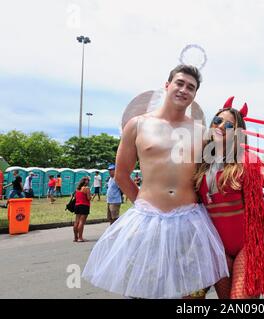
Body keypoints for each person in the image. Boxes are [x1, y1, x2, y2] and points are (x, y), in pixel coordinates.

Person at [82, 65, 228, 299]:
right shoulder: (138, 125)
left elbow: (220, 174)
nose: (184, 90)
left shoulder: (202, 132)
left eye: (191, 87)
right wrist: (143, 203)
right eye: (179, 83)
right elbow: (121, 173)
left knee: (192, 295)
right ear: (167, 85)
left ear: (194, 95)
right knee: (145, 291)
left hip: (190, 222)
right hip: (147, 221)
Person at [193, 98, 264, 299]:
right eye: (216, 121)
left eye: (228, 125)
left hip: (249, 244)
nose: (220, 126)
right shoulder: (201, 161)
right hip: (217, 247)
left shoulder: (248, 159)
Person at [73, 177, 91, 242]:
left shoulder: (77, 189)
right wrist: (90, 195)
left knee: (76, 222)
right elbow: (89, 198)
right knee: (81, 222)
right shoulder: (87, 188)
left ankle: (75, 237)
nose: (89, 182)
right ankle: (80, 238)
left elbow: (75, 197)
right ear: (86, 182)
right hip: (84, 206)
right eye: (88, 181)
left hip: (77, 205)